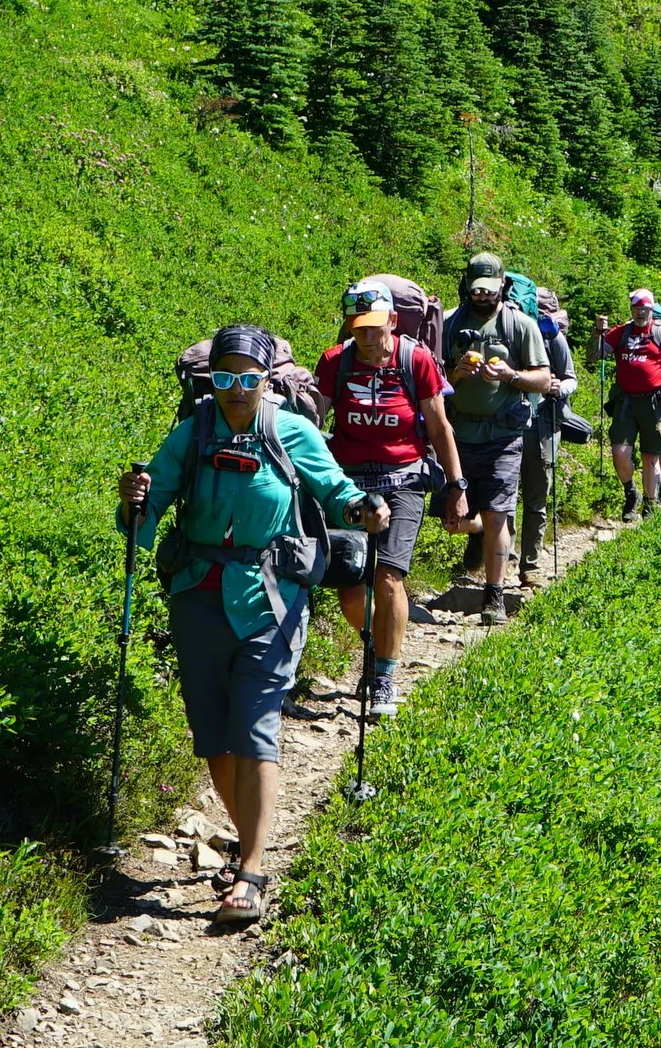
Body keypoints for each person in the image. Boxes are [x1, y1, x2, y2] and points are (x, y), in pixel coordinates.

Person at [118, 325, 383, 925]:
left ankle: (253, 870)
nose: (237, 390)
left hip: (272, 597)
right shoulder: (191, 434)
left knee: (256, 722)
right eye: (224, 378)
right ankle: (247, 839)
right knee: (212, 731)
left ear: (268, 381)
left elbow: (335, 490)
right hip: (197, 593)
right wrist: (133, 502)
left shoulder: (292, 431)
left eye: (249, 378)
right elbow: (145, 516)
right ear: (210, 380)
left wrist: (361, 509)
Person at [315, 284, 467, 716]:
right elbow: (315, 420)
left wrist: (456, 488)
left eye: (375, 327)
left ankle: (383, 676)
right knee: (349, 585)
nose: (366, 336)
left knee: (388, 578)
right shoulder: (334, 362)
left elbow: (439, 427)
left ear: (393, 322)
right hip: (348, 483)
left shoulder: (414, 359)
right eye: (358, 327)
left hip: (403, 480)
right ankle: (376, 641)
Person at [440, 253, 553, 622]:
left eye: (490, 290)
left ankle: (494, 595)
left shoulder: (520, 325)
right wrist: (456, 374)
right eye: (477, 290)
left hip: (504, 435)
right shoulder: (449, 324)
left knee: (497, 514)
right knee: (451, 520)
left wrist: (510, 375)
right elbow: (434, 381)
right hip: (457, 435)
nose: (483, 297)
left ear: (502, 285)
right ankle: (479, 539)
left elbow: (544, 379)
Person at [595, 288, 661, 519]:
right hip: (625, 400)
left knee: (651, 456)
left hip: (655, 402)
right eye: (636, 308)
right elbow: (594, 355)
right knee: (619, 451)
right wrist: (598, 332)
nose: (640, 313)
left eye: (644, 309)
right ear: (631, 309)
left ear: (651, 309)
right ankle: (631, 493)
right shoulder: (620, 333)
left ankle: (649, 505)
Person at [519, 285, 579, 578]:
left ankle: (529, 563)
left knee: (536, 495)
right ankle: (511, 559)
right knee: (509, 497)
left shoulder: (553, 336)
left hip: (543, 421)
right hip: (515, 422)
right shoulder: (514, 329)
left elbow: (571, 378)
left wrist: (558, 387)